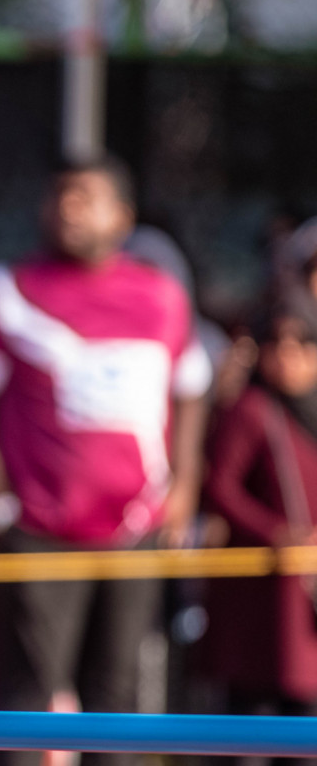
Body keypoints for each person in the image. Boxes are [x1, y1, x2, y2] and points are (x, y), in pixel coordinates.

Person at [0, 157, 211, 763]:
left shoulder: (161, 296)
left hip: (136, 529)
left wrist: (186, 479)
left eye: (85, 197)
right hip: (37, 532)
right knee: (26, 699)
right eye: (58, 196)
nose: (67, 208)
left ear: (123, 216)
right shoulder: (5, 291)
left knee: (121, 698)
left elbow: (192, 388)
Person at [203, 291, 317, 732]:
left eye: (301, 344)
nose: (287, 356)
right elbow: (219, 488)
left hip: (306, 604)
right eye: (276, 343)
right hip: (261, 602)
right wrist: (277, 533)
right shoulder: (251, 411)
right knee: (253, 730)